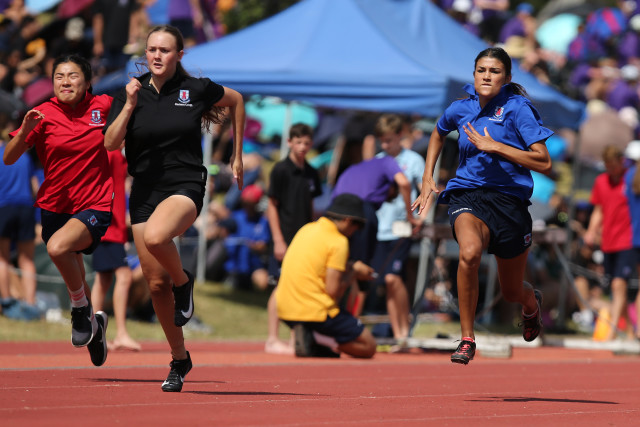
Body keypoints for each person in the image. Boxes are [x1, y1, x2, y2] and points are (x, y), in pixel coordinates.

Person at [103, 25, 245, 393]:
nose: (157, 55)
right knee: (155, 284)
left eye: (165, 50)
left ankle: (184, 281)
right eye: (152, 49)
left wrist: (237, 154)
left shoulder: (195, 89)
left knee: (156, 237)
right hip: (145, 190)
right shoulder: (130, 93)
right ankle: (179, 358)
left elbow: (237, 100)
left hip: (185, 184)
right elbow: (110, 144)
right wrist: (129, 104)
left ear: (179, 55)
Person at [412, 47, 551, 365]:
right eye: (481, 70)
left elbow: (543, 161)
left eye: (495, 71)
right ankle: (466, 338)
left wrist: (496, 146)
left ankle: (531, 304)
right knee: (470, 253)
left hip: (509, 203)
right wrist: (427, 177)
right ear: (474, 75)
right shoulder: (460, 108)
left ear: (507, 78)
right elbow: (437, 133)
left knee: (512, 291)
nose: (487, 76)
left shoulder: (518, 109)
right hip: (467, 195)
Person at [3, 54, 112, 366]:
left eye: (73, 75)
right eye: (59, 76)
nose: (65, 82)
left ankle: (79, 310)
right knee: (74, 267)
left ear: (87, 82)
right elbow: (9, 157)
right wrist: (25, 131)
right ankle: (94, 325)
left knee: (57, 248)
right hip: (54, 205)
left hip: (94, 202)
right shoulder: (43, 113)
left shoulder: (104, 106)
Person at [275, 193, 377, 358]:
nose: (355, 232)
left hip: (286, 310)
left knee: (329, 352)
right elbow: (333, 290)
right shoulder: (338, 241)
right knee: (368, 346)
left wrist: (349, 266)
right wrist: (353, 272)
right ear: (347, 220)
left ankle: (314, 341)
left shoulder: (307, 229)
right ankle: (319, 338)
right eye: (357, 226)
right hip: (316, 313)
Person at [332, 155, 417, 316]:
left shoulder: (355, 168)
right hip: (360, 212)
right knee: (362, 270)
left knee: (338, 264)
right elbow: (404, 183)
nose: (387, 199)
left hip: (334, 213)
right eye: (392, 195)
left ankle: (334, 313)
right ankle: (353, 319)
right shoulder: (387, 162)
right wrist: (410, 216)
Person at [368, 114, 427, 341]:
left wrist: (420, 217)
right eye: (381, 141)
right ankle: (399, 332)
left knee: (393, 278)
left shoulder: (413, 160)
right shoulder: (377, 160)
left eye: (389, 140)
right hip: (379, 229)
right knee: (386, 282)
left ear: (400, 136)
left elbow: (426, 190)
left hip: (402, 227)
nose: (385, 145)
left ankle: (404, 329)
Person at [265, 122, 322, 355]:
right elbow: (271, 205)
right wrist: (278, 240)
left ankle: (293, 340)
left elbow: (311, 205)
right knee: (280, 286)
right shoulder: (280, 170)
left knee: (298, 287)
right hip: (285, 236)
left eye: (306, 143)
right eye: (298, 142)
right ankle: (272, 338)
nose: (302, 147)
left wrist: (313, 233)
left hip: (304, 239)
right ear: (289, 142)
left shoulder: (312, 173)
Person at [91, 148, 141, 352]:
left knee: (104, 279)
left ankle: (94, 331)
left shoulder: (118, 156)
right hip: (109, 226)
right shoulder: (110, 153)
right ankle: (120, 333)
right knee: (124, 276)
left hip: (113, 226)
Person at [584, 145, 636, 341]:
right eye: (608, 166)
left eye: (613, 166)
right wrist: (591, 231)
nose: (611, 170)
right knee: (616, 288)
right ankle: (629, 330)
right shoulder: (601, 181)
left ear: (621, 162)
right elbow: (598, 210)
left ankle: (612, 330)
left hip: (627, 239)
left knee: (618, 284)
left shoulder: (631, 179)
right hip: (608, 241)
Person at [0, 138, 39, 320]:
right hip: (25, 208)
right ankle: (30, 305)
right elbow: (35, 187)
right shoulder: (25, 156)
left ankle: (7, 302)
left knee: (2, 258)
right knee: (27, 259)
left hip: (4, 207)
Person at [223, 184, 270, 291]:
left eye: (251, 204)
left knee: (263, 282)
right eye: (245, 203)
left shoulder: (263, 221)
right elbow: (224, 236)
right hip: (233, 262)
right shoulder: (236, 216)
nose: (247, 207)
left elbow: (263, 246)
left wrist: (251, 245)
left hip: (254, 264)